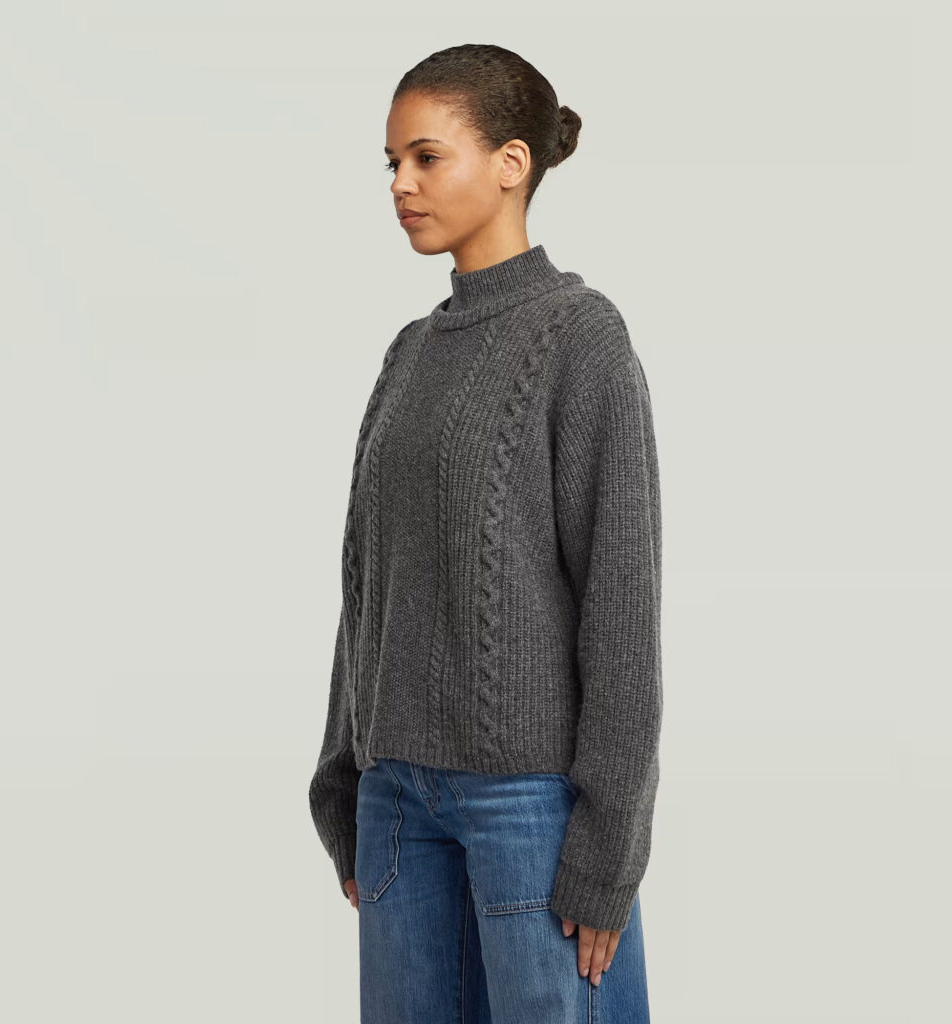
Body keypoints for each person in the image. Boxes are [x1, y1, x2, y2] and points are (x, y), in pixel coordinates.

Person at [308, 42, 662, 1023]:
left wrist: (608, 846)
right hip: (394, 803)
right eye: (392, 162)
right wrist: (343, 776)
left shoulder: (581, 337)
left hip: (527, 808)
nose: (401, 184)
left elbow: (620, 609)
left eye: (427, 157)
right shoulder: (410, 353)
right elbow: (369, 580)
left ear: (511, 163)